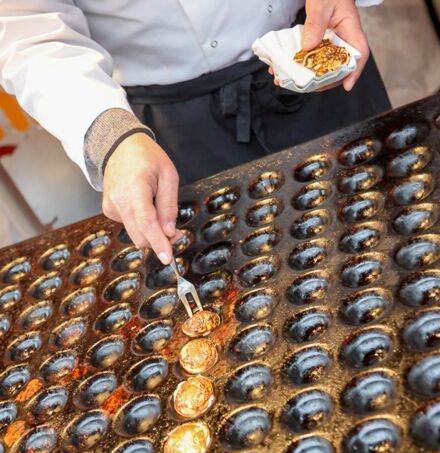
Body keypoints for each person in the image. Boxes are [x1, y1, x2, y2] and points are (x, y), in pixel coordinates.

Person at [0, 0, 389, 264]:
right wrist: (111, 135)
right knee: (239, 273)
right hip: (173, 128)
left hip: (313, 53)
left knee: (378, 231)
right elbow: (30, 30)